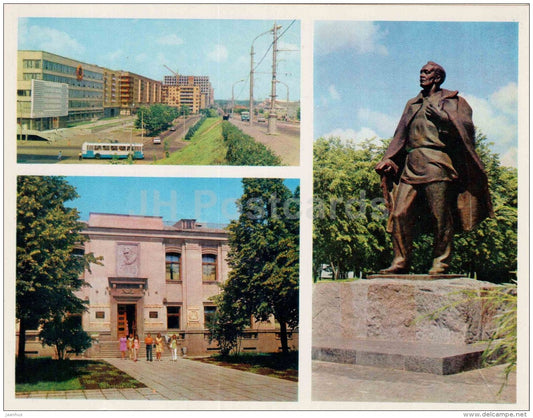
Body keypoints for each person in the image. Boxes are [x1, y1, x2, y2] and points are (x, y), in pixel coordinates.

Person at [375, 61, 493, 275]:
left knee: (440, 215)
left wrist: (444, 119)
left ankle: (441, 261)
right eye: (421, 71)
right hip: (411, 165)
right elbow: (399, 135)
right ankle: (400, 261)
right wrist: (389, 158)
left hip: (438, 162)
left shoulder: (455, 102)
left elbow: (466, 130)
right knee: (400, 214)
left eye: (427, 72)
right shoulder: (413, 103)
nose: (422, 75)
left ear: (438, 78)